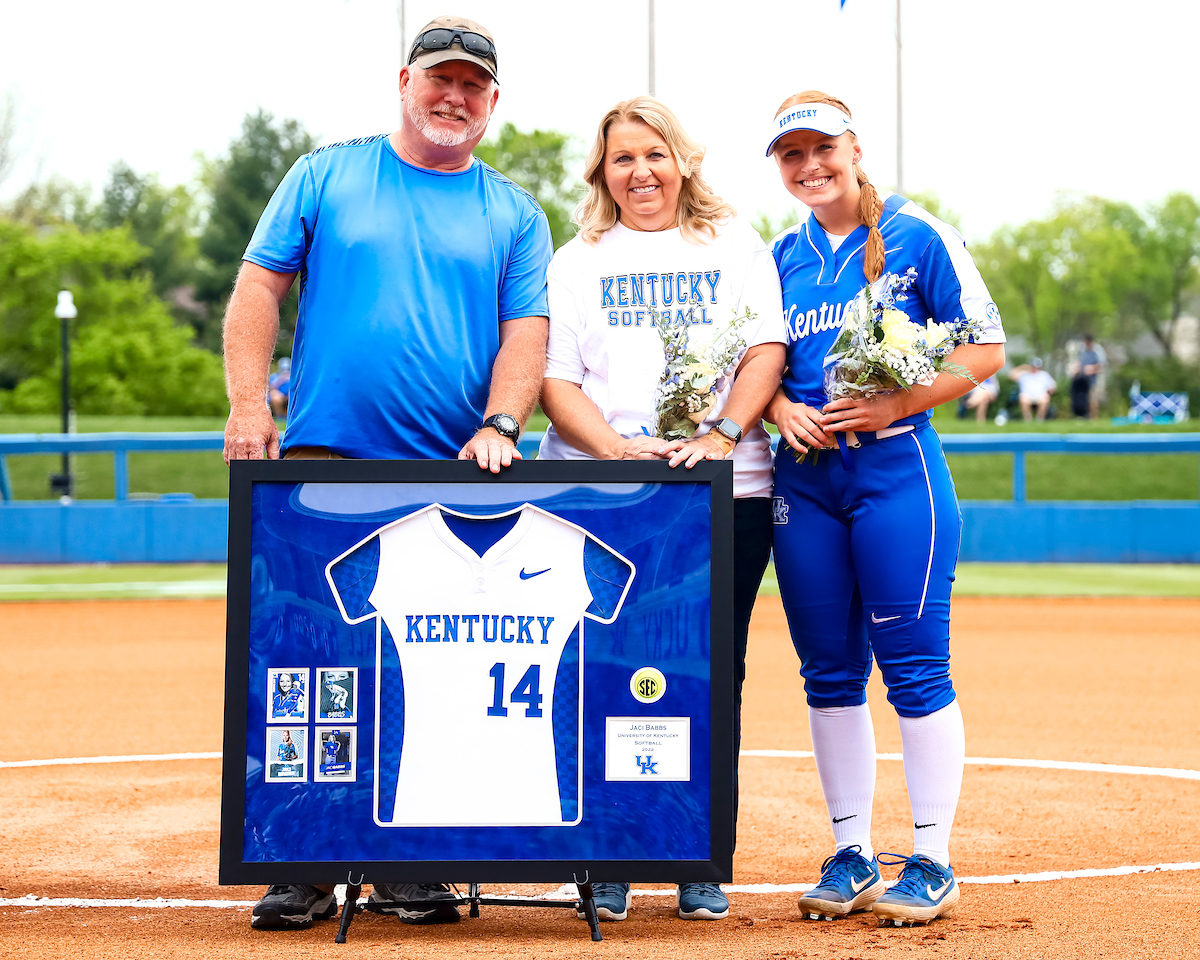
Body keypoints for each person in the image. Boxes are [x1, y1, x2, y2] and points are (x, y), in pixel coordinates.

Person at [222, 14, 552, 932]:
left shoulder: (514, 211)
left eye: (473, 85)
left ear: (492, 102)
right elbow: (258, 286)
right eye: (439, 78)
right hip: (323, 461)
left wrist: (502, 420)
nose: (454, 96)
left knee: (428, 672)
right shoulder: (326, 173)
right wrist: (252, 404)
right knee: (305, 662)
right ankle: (303, 857)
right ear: (403, 81)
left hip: (449, 470)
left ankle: (411, 862)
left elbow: (527, 331)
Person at [538, 96, 786, 923]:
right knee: (602, 669)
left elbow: (766, 350)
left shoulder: (736, 244)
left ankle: (695, 854)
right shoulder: (578, 259)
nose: (640, 171)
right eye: (622, 159)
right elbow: (556, 381)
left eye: (654, 154)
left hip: (726, 490)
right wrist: (612, 451)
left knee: (712, 672)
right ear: (602, 173)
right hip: (603, 494)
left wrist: (719, 435)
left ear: (681, 159)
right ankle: (606, 852)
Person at [762, 91, 1006, 926]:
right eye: (791, 155)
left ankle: (932, 858)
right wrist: (773, 411)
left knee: (913, 668)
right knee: (828, 673)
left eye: (821, 148)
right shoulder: (778, 255)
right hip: (805, 482)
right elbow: (755, 365)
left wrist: (896, 405)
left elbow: (985, 347)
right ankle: (852, 850)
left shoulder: (917, 233)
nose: (809, 166)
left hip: (897, 472)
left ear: (854, 147)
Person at [1078, 335, 1107, 419]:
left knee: (1093, 398)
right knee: (1085, 397)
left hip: (1096, 378)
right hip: (1085, 378)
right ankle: (1084, 415)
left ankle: (1093, 417)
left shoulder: (1098, 350)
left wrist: (1092, 369)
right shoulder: (1083, 350)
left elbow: (1102, 366)